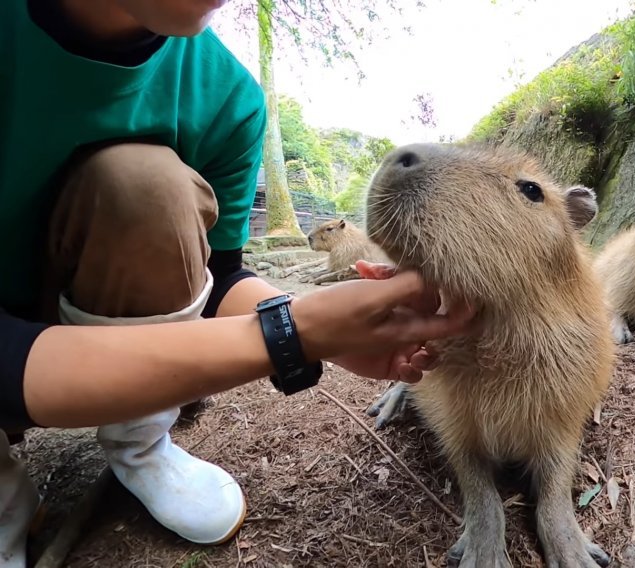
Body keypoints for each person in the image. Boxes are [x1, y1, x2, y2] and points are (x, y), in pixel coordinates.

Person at [0, 0, 474, 565]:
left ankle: (141, 443)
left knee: (143, 183)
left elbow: (221, 275)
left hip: (89, 325)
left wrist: (328, 333)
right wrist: (292, 335)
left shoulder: (227, 97)